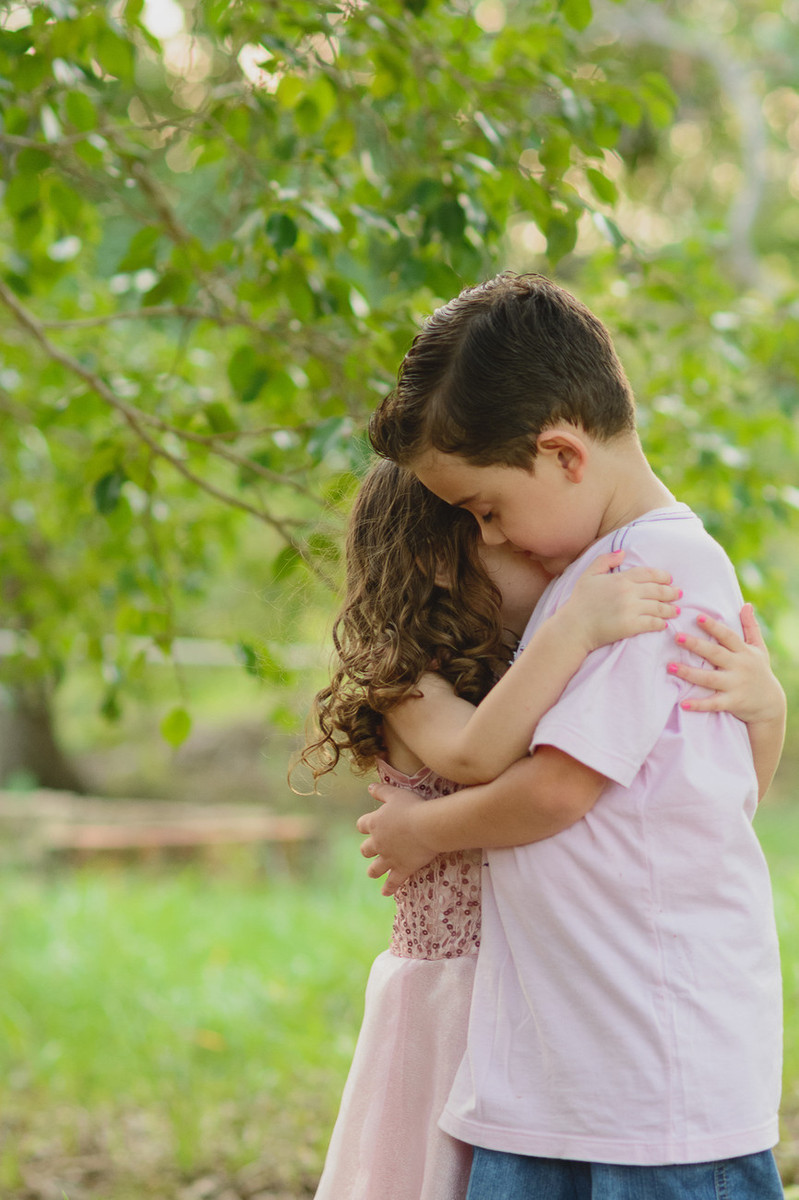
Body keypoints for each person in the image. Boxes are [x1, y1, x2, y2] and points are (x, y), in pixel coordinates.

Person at [358, 273, 787, 1199]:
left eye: (485, 509)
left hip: (650, 1083)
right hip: (558, 1072)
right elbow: (705, 785)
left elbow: (559, 790)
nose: (490, 537)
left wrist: (425, 831)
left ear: (560, 452)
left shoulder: (650, 574)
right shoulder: (590, 582)